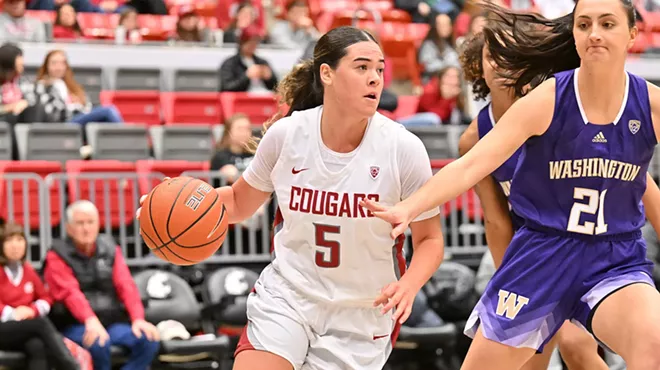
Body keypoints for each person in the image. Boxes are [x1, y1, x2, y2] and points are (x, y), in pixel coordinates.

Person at [362, 0, 660, 369]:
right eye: (584, 24)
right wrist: (409, 206)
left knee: (647, 346)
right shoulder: (548, 99)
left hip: (613, 257)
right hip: (541, 254)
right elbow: (471, 168)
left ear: (633, 33)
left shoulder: (649, 104)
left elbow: (645, 186)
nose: (594, 33)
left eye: (607, 23)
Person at [138, 26, 445, 370]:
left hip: (361, 312)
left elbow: (430, 239)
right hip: (289, 296)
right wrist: (168, 204)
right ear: (326, 73)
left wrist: (409, 285)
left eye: (379, 69)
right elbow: (239, 203)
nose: (375, 78)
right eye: (362, 67)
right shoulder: (287, 135)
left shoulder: (403, 148)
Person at [458, 31, 612, 370]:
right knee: (533, 359)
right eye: (490, 57)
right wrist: (511, 281)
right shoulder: (473, 137)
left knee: (575, 345)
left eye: (508, 57)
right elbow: (496, 220)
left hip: (581, 242)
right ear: (476, 66)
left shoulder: (551, 110)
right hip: (528, 255)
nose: (500, 66)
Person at [43, 200, 160, 370]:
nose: (86, 228)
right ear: (68, 228)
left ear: (98, 224)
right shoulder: (56, 254)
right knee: (98, 343)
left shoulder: (110, 248)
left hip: (111, 322)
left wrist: (138, 318)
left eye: (90, 222)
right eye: (80, 223)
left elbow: (126, 284)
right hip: (74, 324)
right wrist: (90, 320)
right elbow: (70, 293)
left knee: (148, 339)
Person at [0, 222, 81, 370]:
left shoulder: (28, 270)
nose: (15, 245)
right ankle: (73, 366)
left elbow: (46, 297)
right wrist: (13, 313)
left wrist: (32, 310)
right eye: (9, 240)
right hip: (3, 326)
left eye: (19, 240)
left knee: (36, 345)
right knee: (40, 324)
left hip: (23, 327)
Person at [35, 50, 124, 127]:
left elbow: (87, 105)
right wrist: (74, 106)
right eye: (54, 63)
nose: (58, 67)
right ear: (46, 66)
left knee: (105, 120)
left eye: (62, 63)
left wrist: (80, 104)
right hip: (64, 123)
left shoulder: (69, 85)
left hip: (78, 118)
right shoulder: (42, 86)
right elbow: (52, 113)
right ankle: (127, 139)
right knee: (108, 110)